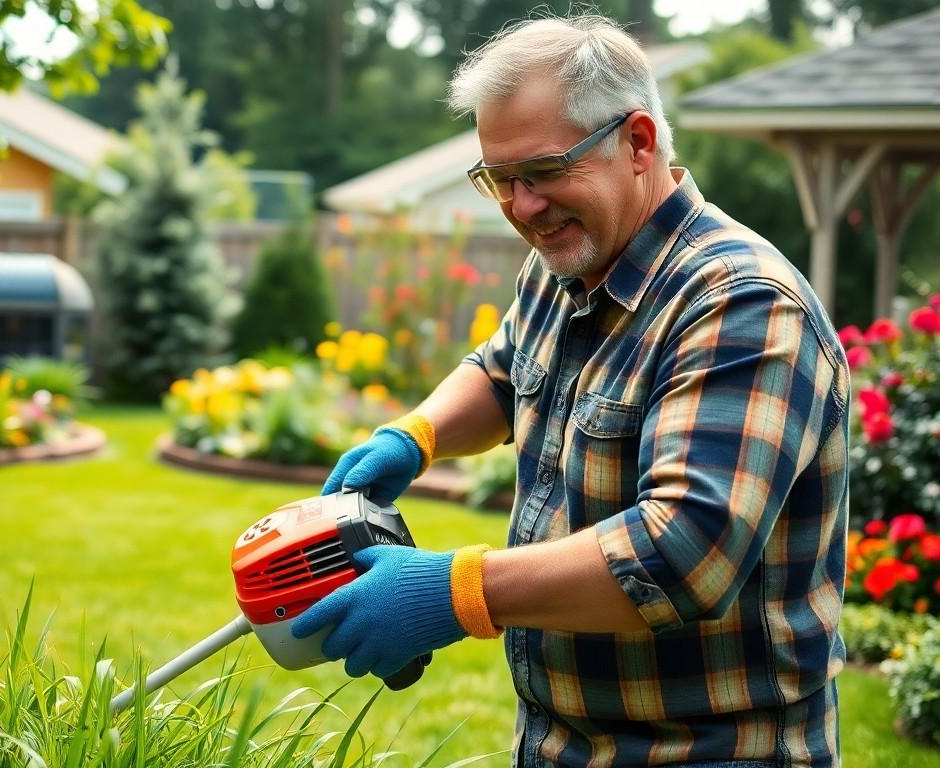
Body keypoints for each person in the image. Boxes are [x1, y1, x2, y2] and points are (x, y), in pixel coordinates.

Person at [290, 14, 850, 768]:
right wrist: (413, 437)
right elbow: (501, 368)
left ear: (639, 143)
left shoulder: (741, 304)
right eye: (500, 179)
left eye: (546, 171)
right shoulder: (569, 265)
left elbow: (683, 551)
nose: (521, 207)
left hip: (713, 750)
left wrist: (455, 592)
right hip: (562, 745)